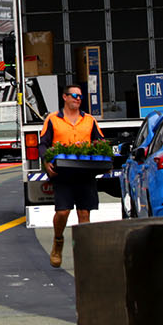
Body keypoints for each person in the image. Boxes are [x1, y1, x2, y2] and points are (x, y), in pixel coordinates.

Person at [39, 81, 105, 268]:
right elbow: (43, 144)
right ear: (65, 97)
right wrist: (46, 161)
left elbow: (100, 140)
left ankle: (84, 254)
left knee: (84, 213)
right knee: (63, 212)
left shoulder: (89, 120)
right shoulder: (53, 119)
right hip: (63, 173)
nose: (78, 99)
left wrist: (102, 154)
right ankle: (58, 241)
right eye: (74, 96)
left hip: (84, 172)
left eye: (80, 96)